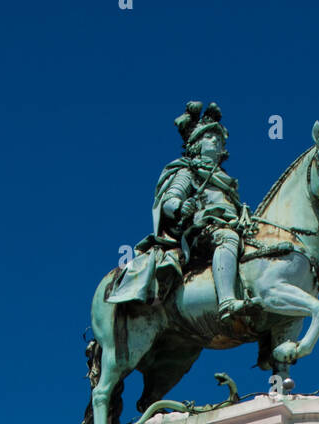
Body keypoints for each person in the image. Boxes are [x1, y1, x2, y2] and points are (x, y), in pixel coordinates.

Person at [106, 101, 248, 321]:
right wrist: (182, 207)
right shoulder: (187, 171)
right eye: (210, 137)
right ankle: (227, 301)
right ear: (196, 144)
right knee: (227, 238)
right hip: (201, 231)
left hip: (233, 226)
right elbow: (169, 202)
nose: (216, 142)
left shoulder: (227, 182)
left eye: (219, 140)